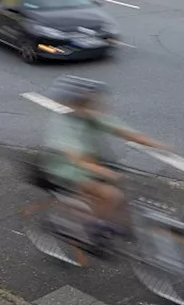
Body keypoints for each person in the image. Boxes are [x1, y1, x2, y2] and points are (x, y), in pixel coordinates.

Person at [41, 76, 165, 242]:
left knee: (124, 196)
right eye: (90, 101)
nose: (97, 103)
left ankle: (106, 219)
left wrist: (158, 145)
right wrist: (106, 172)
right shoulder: (64, 126)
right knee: (112, 195)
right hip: (66, 171)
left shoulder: (91, 116)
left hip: (94, 164)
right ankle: (92, 225)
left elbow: (124, 132)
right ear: (77, 103)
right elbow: (77, 160)